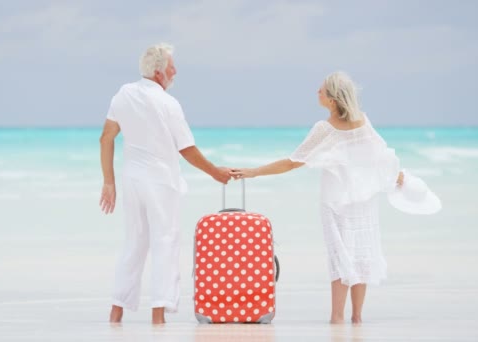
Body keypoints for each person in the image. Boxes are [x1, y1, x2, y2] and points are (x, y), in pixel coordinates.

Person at [230, 71, 404, 324]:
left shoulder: (325, 129)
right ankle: (356, 318)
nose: (317, 92)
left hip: (335, 202)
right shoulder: (363, 123)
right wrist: (399, 177)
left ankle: (336, 318)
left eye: (321, 90)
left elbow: (292, 162)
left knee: (340, 257)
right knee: (360, 256)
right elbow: (382, 156)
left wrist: (254, 172)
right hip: (363, 201)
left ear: (333, 100)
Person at [99, 43, 232, 324]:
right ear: (160, 72)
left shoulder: (123, 94)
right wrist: (214, 172)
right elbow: (187, 149)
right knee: (165, 242)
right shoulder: (168, 103)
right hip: (160, 182)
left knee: (133, 243)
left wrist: (108, 182)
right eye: (172, 66)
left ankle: (117, 310)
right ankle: (158, 314)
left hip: (132, 181)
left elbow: (106, 138)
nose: (175, 71)